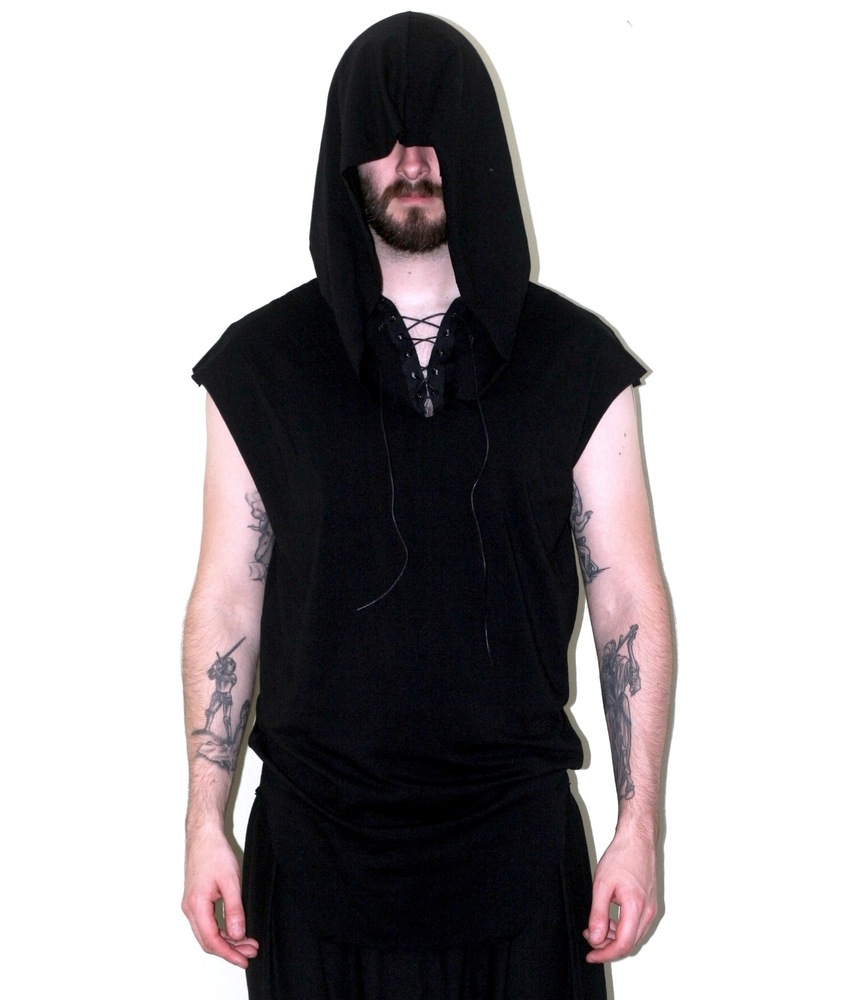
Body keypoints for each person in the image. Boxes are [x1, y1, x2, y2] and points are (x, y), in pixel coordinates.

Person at [181, 12, 673, 1000]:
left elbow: (628, 600)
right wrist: (203, 819)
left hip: (517, 859)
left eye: (435, 128)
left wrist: (640, 825)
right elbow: (227, 598)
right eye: (385, 133)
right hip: (315, 861)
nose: (411, 159)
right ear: (346, 157)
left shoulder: (574, 364)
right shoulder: (262, 368)